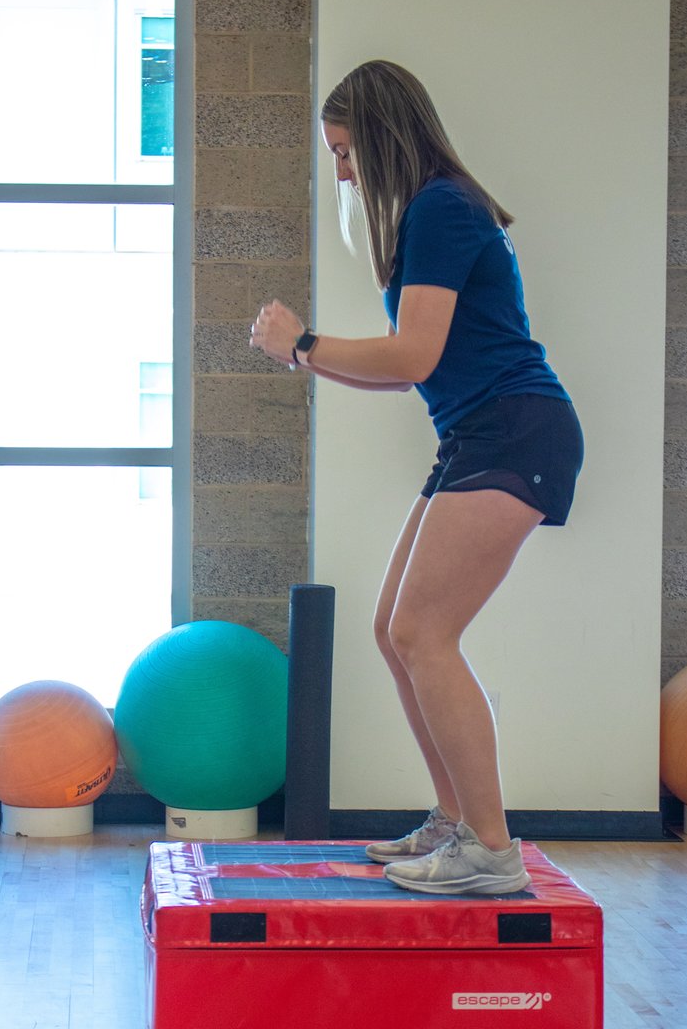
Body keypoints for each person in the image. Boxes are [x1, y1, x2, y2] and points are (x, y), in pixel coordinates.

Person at [249, 60, 583, 896]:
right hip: (477, 430)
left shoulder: (440, 206)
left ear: (382, 137)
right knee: (393, 630)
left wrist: (300, 344)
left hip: (515, 427)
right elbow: (407, 371)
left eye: (346, 152)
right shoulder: (434, 213)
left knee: (424, 635)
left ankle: (492, 853)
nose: (343, 173)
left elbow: (412, 355)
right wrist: (308, 357)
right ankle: (454, 820)